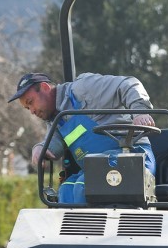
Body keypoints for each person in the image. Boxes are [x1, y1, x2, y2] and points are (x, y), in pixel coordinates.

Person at [9, 71, 159, 205]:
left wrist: (140, 111)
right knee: (66, 190)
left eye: (31, 102)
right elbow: (53, 144)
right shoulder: (57, 121)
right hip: (95, 167)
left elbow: (128, 84)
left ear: (45, 88)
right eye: (27, 108)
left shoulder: (83, 88)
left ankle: (95, 234)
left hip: (132, 156)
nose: (32, 111)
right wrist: (40, 148)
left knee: (85, 185)